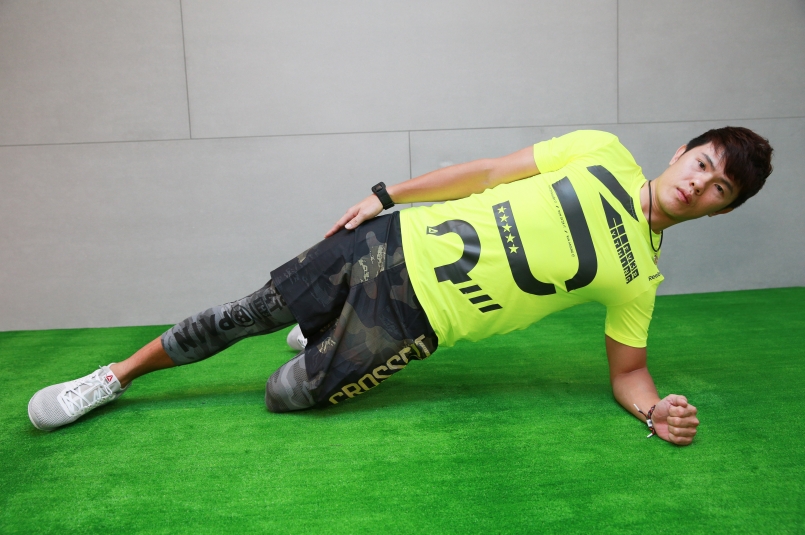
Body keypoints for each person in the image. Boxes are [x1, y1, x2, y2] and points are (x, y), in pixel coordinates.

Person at [27, 128, 773, 446]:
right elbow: (488, 172)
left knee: (285, 394)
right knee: (247, 312)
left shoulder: (641, 277)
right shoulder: (601, 152)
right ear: (682, 151)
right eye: (703, 162)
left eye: (720, 188)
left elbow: (629, 371)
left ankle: (318, 332)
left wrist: (653, 411)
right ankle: (114, 376)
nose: (699, 182)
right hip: (391, 245)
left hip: (415, 322)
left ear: (720, 210)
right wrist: (387, 195)